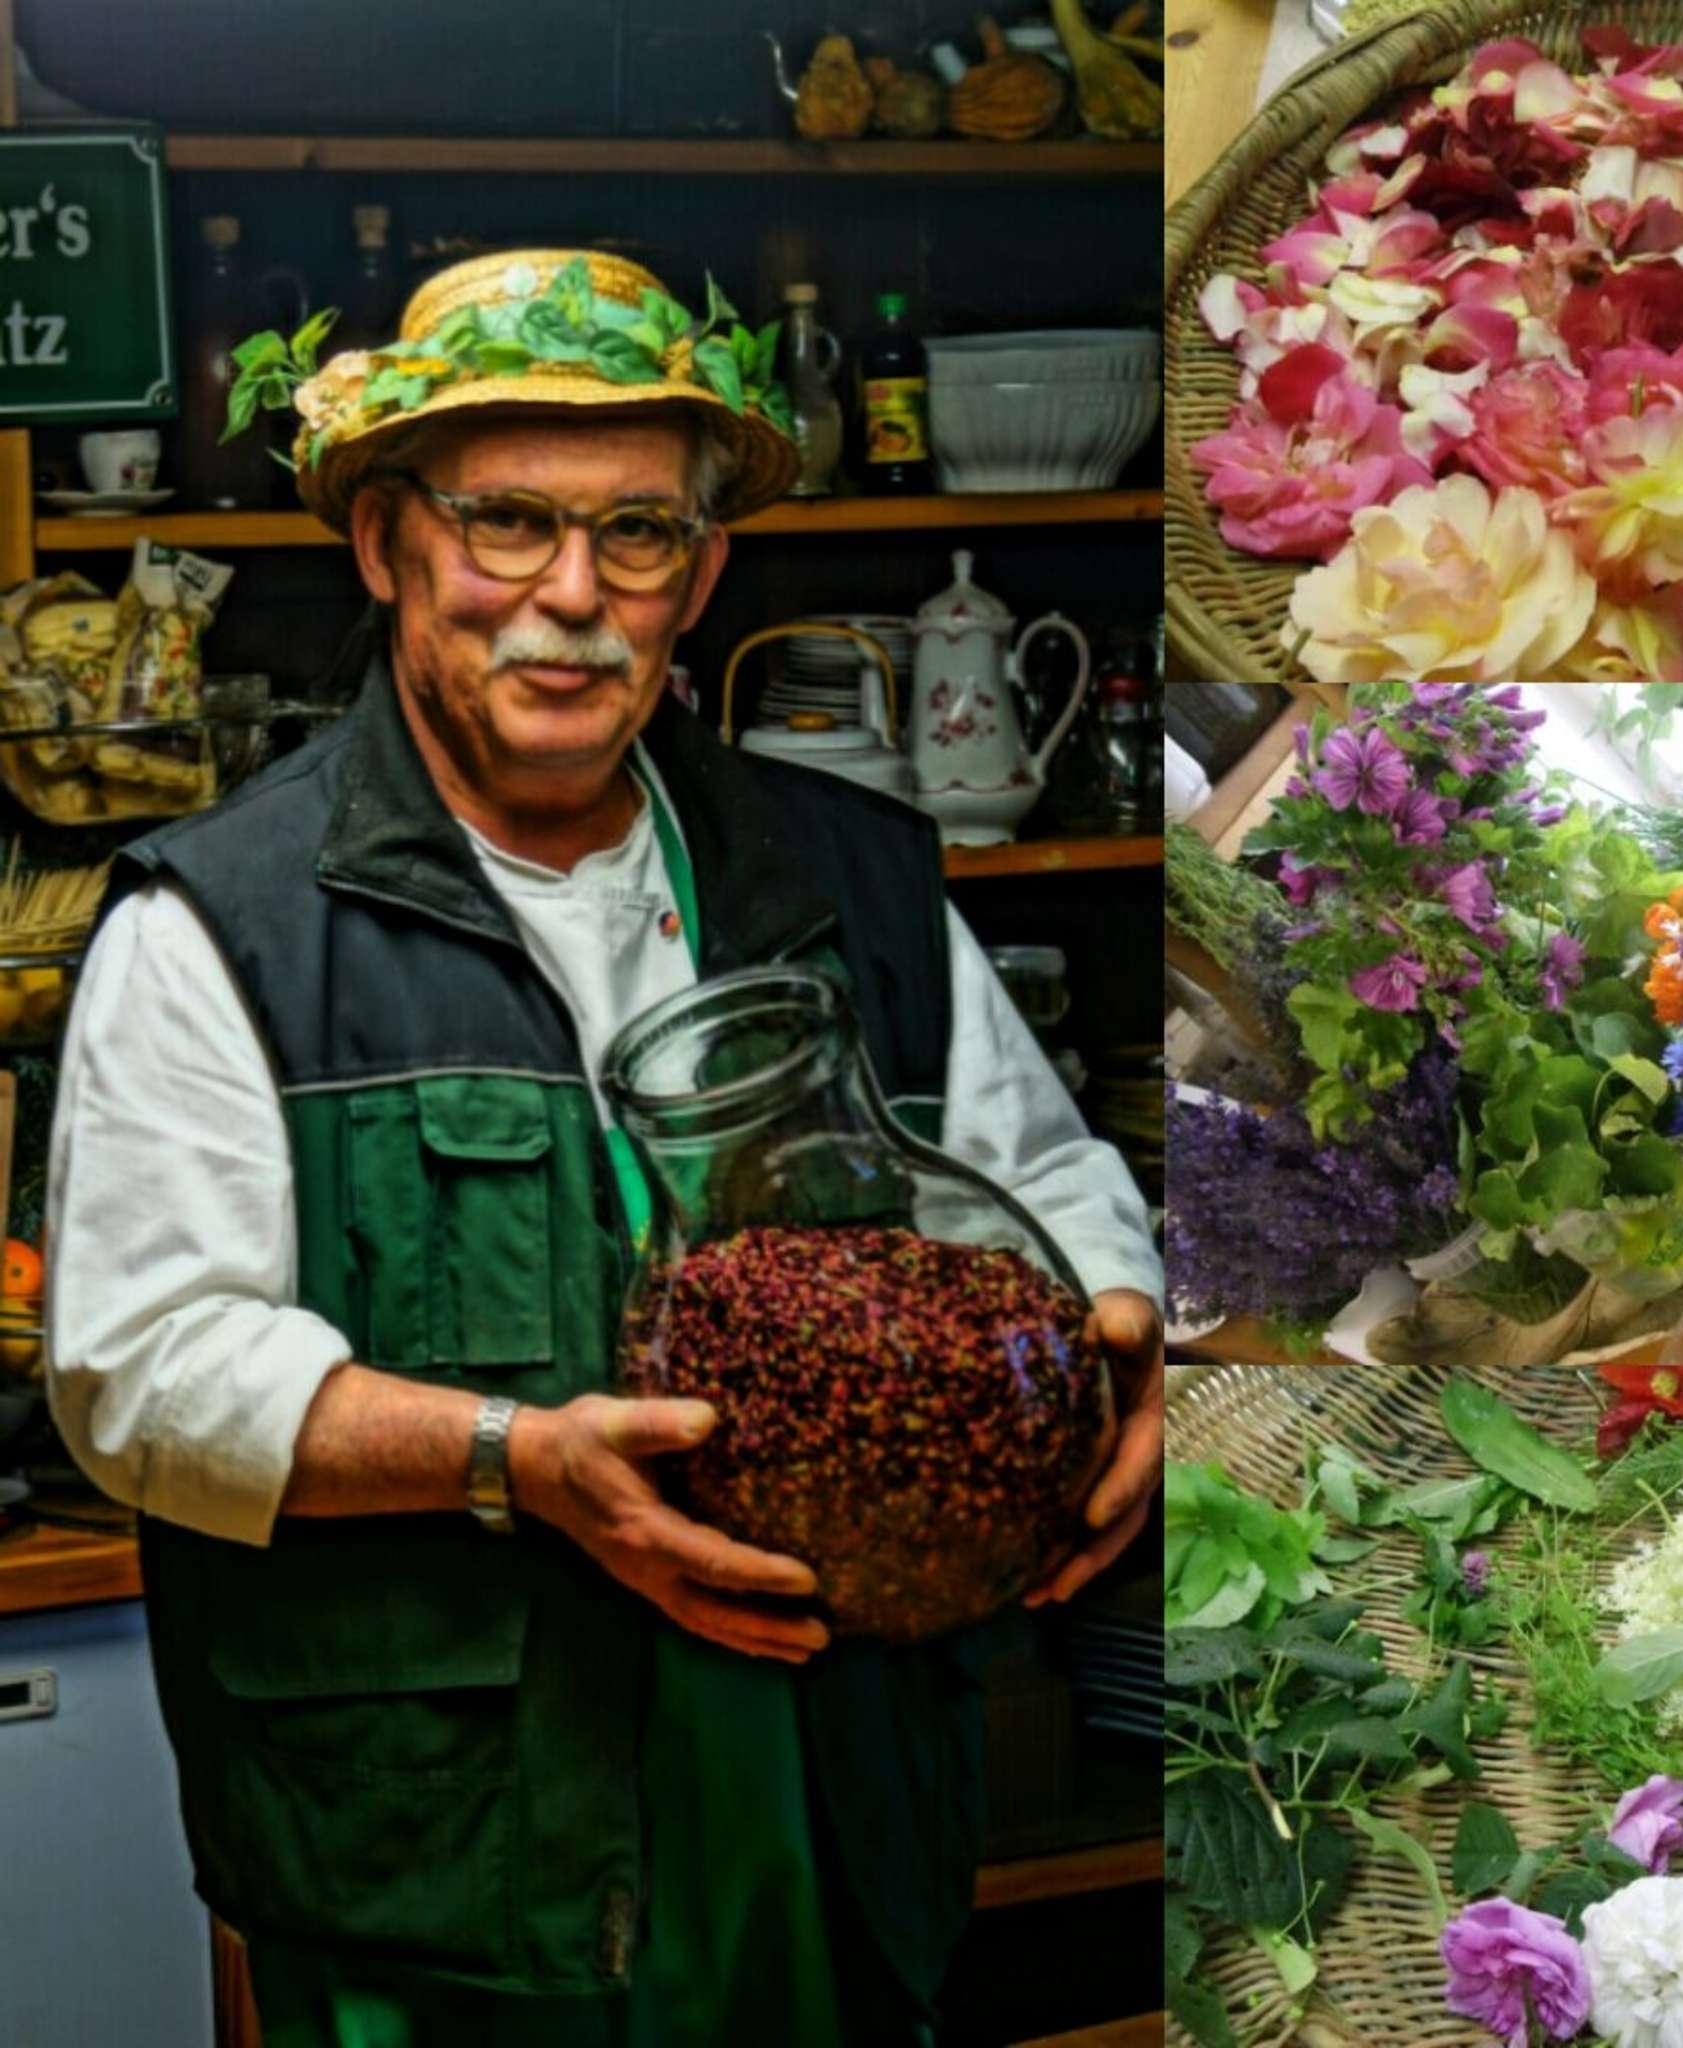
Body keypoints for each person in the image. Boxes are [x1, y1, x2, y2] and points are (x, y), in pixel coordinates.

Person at [43, 248, 1163, 2046]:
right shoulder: (222, 922)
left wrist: (1117, 1326)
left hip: (826, 1784)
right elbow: (141, 1372)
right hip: (453, 1840)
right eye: (505, 525)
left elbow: (1049, 1185)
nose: (568, 597)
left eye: (636, 537)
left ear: (701, 577)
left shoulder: (845, 875)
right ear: (389, 546)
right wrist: (516, 1457)